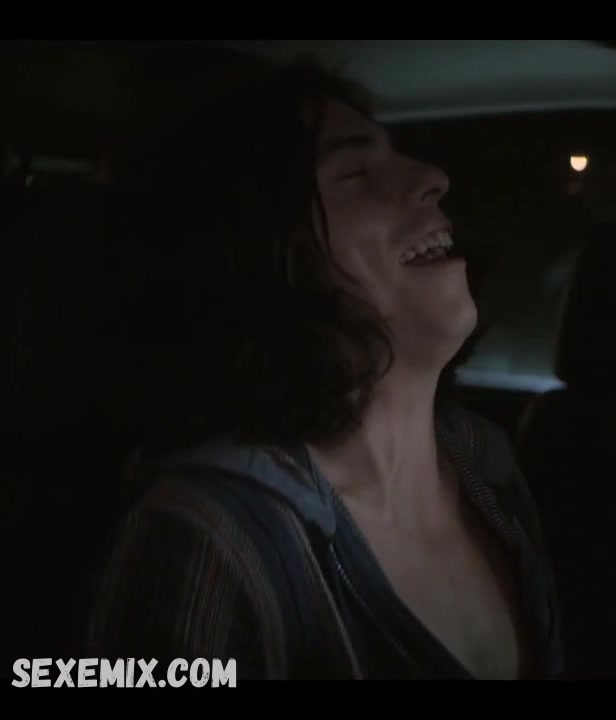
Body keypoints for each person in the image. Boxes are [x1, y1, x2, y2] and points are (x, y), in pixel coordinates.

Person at [81, 52, 563, 680]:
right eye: (356, 172)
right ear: (263, 256)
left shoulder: (486, 465)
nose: (434, 176)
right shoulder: (207, 535)